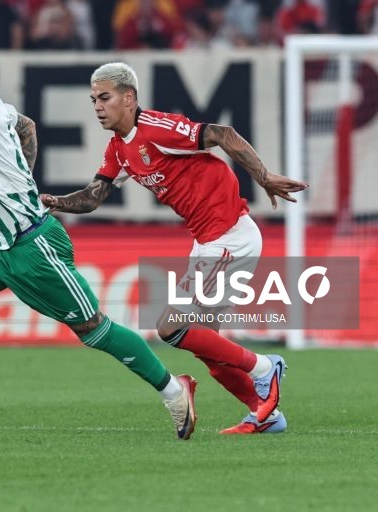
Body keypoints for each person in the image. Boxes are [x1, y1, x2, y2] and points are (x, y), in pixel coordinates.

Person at [0, 34, 198, 440]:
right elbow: (26, 127)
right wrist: (24, 179)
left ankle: (175, 391)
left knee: (95, 329)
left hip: (33, 246)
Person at [40, 61, 309, 434]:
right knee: (206, 344)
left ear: (129, 97)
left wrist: (263, 177)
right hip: (208, 240)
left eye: (105, 97)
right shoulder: (118, 149)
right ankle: (266, 414)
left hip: (228, 237)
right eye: (93, 100)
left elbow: (222, 133)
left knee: (170, 326)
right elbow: (93, 196)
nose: (97, 106)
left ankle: (265, 368)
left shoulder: (157, 128)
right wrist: (53, 202)